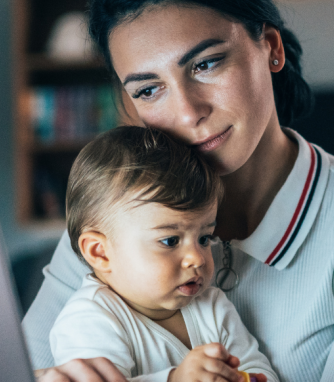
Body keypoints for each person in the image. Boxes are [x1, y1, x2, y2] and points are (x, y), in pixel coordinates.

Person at [23, 0, 334, 382]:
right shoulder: (116, 219)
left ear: (270, 48)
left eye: (206, 63)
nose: (188, 112)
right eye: (149, 90)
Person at [49, 126, 277, 382]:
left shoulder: (212, 307)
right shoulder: (89, 319)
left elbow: (259, 370)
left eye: (204, 238)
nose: (197, 258)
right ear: (100, 252)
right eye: (170, 241)